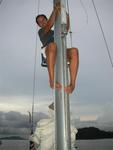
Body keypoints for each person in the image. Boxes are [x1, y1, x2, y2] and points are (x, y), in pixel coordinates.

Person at [36, 2, 79, 94]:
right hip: (48, 51)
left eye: (43, 20)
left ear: (46, 19)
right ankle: (52, 80)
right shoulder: (41, 31)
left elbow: (66, 29)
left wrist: (66, 16)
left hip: (60, 50)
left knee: (74, 51)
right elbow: (49, 25)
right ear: (39, 25)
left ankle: (72, 85)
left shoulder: (54, 31)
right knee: (52, 45)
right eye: (39, 22)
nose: (42, 22)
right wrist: (56, 9)